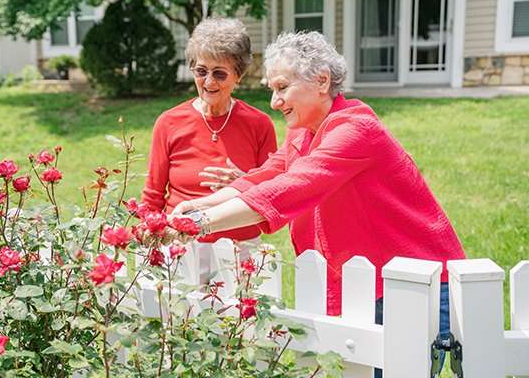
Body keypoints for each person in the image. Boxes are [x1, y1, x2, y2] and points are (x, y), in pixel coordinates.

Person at [173, 31, 465, 376]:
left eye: (282, 88)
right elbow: (263, 177)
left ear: (321, 81)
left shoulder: (356, 130)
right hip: (368, 284)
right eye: (271, 90)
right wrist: (200, 205)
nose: (274, 101)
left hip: (413, 285)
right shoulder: (303, 132)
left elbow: (291, 188)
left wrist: (200, 224)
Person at [142, 17, 277, 280]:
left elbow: (271, 202)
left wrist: (244, 183)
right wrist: (149, 234)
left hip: (240, 251)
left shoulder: (259, 125)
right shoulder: (169, 123)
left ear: (238, 75)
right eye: (201, 71)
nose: (209, 82)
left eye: (220, 73)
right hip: (182, 248)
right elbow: (153, 196)